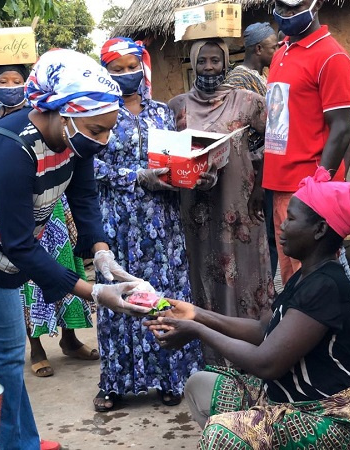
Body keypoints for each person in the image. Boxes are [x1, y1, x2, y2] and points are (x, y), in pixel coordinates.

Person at [0, 49, 149, 450]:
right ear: (62, 113)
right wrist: (94, 292)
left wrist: (102, 252)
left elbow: (85, 196)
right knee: (3, 349)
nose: (103, 140)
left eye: (107, 130)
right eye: (96, 130)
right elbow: (21, 246)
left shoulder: (74, 139)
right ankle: (8, 444)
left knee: (3, 348)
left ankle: (21, 439)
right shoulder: (12, 148)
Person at [145, 167, 350, 449]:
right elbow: (266, 329)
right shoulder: (306, 275)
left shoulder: (327, 285)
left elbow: (267, 363)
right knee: (202, 386)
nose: (283, 226)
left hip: (337, 419)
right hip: (294, 401)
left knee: (223, 435)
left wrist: (197, 330)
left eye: (292, 219)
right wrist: (197, 314)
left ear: (320, 229)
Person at [92, 37, 203, 411]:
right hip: (119, 223)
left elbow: (172, 160)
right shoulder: (98, 114)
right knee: (118, 297)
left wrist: (188, 172)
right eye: (117, 69)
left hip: (163, 223)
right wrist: (136, 177)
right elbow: (89, 167)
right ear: (104, 73)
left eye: (131, 67)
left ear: (143, 67)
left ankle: (169, 377)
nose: (126, 75)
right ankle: (115, 383)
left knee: (162, 295)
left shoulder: (161, 112)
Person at [0, 63, 99, 377]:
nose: (11, 86)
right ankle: (36, 347)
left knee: (64, 269)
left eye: (17, 80)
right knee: (28, 280)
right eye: (3, 81)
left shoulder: (44, 113)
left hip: (54, 212)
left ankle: (70, 339)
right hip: (20, 213)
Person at [168, 39, 274, 365]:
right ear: (193, 64)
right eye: (203, 61)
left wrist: (261, 186)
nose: (209, 68)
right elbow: (166, 154)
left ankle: (255, 352)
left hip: (240, 206)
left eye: (216, 60)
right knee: (205, 273)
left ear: (226, 63)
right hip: (197, 209)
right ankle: (212, 357)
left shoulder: (248, 102)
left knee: (246, 273)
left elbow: (274, 139)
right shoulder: (176, 107)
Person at [262, 0, 350, 286]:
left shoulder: (331, 57)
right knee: (295, 282)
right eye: (283, 8)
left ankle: (349, 332)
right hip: (280, 185)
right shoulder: (281, 53)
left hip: (307, 190)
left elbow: (342, 128)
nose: (288, 15)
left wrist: (317, 187)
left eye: (296, 7)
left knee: (320, 281)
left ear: (316, 5)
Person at [225, 22, 279, 275]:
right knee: (263, 234)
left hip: (267, 165)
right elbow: (235, 128)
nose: (277, 50)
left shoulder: (259, 77)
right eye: (273, 46)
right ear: (258, 48)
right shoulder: (239, 78)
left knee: (271, 232)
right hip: (253, 168)